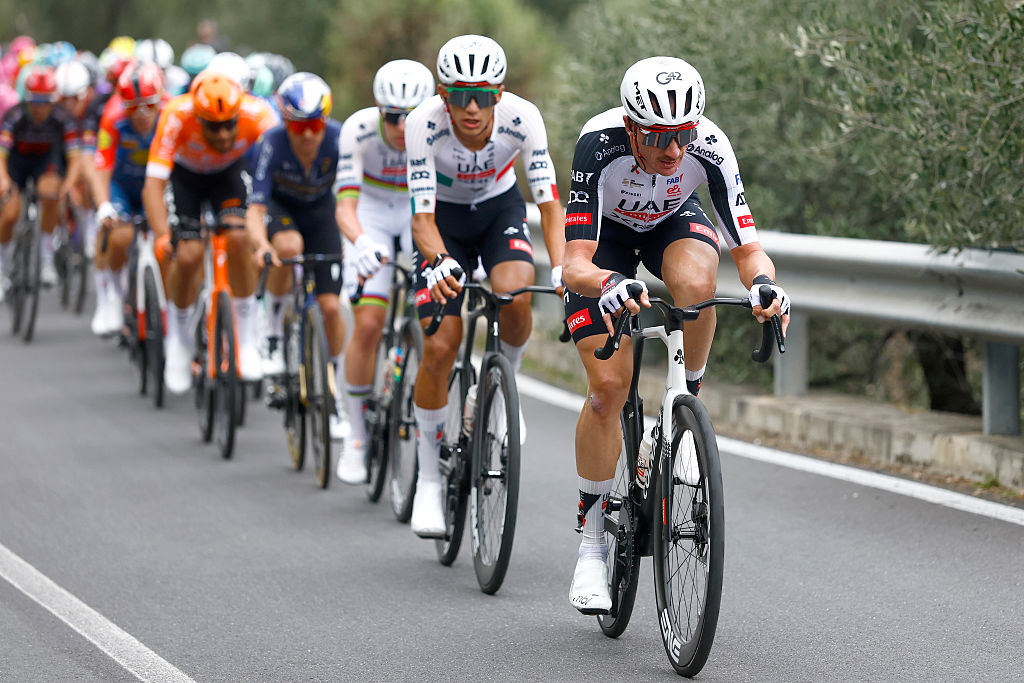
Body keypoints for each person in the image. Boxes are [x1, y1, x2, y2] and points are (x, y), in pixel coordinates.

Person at [561, 56, 791, 613]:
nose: (674, 151)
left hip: (669, 224)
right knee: (607, 392)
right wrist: (610, 283)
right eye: (660, 137)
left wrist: (764, 286)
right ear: (632, 125)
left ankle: (683, 405)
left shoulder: (708, 145)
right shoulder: (598, 144)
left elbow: (748, 248)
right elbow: (573, 264)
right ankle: (592, 544)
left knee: (697, 281)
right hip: (605, 244)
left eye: (683, 135)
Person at [403, 34, 565, 537]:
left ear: (500, 93)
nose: (470, 109)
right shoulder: (421, 124)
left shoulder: (524, 118)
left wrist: (562, 268)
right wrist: (442, 262)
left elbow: (549, 204)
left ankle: (503, 382)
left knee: (515, 294)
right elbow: (420, 218)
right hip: (442, 224)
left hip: (499, 210)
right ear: (442, 95)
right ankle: (429, 479)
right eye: (457, 96)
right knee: (441, 345)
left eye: (482, 96)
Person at [332, 58, 435, 484]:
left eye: (409, 117)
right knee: (370, 323)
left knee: (436, 319)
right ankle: (355, 435)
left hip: (416, 213)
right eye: (392, 116)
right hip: (370, 214)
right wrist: (360, 242)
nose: (399, 126)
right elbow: (344, 205)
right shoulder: (357, 130)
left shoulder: (435, 129)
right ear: (378, 109)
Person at [142, 70, 277, 394]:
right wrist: (162, 237)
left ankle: (245, 339)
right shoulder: (176, 114)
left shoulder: (259, 114)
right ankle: (180, 339)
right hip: (185, 177)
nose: (224, 134)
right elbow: (153, 186)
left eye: (230, 124)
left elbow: (275, 177)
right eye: (213, 126)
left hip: (228, 176)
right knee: (187, 255)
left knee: (239, 237)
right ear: (198, 118)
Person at [246, 72, 350, 439]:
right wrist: (262, 246)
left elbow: (358, 196)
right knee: (288, 249)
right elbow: (255, 209)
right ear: (284, 122)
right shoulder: (270, 143)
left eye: (315, 124)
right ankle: (272, 334)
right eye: (297, 126)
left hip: (321, 213)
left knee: (332, 308)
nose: (307, 135)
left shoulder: (340, 139)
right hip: (281, 210)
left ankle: (334, 392)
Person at [87, 61, 166, 336]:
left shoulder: (171, 114)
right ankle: (112, 296)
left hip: (156, 186)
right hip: (122, 184)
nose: (142, 114)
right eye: (134, 107)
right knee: (118, 236)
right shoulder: (113, 117)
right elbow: (101, 169)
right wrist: (103, 205)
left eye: (149, 105)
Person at [0, 66, 80, 292]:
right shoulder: (14, 115)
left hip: (45, 162)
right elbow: (1, 154)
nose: (40, 107)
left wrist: (68, 184)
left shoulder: (62, 118)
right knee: (10, 213)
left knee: (51, 193)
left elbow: (74, 158)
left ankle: (46, 259)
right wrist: (4, 180)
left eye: (46, 101)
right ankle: (2, 266)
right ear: (27, 99)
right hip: (16, 162)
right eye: (35, 101)